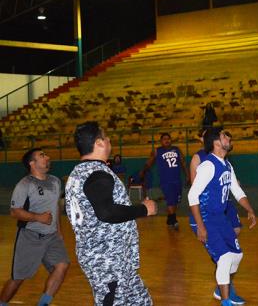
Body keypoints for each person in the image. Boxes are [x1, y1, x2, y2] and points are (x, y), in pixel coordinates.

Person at [65, 121, 157, 305]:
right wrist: (143, 209)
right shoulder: (97, 173)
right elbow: (106, 212)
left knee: (142, 302)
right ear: (99, 143)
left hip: (117, 260)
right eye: (106, 137)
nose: (109, 140)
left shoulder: (79, 173)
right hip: (107, 262)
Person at [189, 127, 257, 306]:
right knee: (225, 258)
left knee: (237, 256)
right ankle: (225, 301)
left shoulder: (226, 165)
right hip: (205, 218)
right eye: (224, 136)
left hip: (219, 217)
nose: (228, 138)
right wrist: (200, 226)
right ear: (217, 143)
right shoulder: (208, 165)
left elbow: (236, 190)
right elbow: (192, 196)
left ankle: (222, 288)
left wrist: (249, 209)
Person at [0, 148, 70, 306]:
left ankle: (43, 303)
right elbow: (14, 212)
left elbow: (56, 207)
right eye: (42, 155)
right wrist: (38, 217)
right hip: (30, 236)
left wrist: (59, 231)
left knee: (62, 265)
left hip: (52, 236)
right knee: (18, 278)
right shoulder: (24, 184)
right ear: (32, 163)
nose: (48, 157)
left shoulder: (55, 181)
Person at [142, 132, 189, 229]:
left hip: (177, 180)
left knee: (175, 201)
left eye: (168, 138)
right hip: (166, 181)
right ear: (161, 141)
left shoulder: (176, 150)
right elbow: (149, 162)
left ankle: (170, 218)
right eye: (164, 139)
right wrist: (143, 172)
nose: (167, 140)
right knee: (171, 200)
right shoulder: (157, 151)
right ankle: (173, 220)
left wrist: (188, 175)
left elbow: (183, 163)